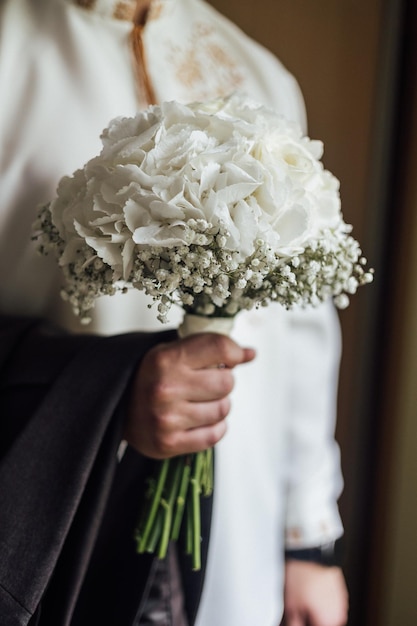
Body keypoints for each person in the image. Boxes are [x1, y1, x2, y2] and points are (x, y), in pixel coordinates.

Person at [0, 0, 349, 625]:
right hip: (52, 526)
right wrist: (102, 393)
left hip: (244, 526)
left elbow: (301, 329)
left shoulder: (260, 75)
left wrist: (306, 542)